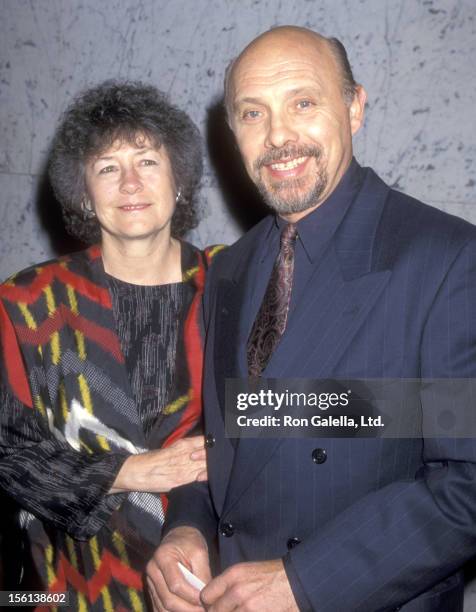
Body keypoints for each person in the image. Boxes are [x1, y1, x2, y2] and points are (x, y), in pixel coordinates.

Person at [146, 26, 476, 612]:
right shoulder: (231, 270)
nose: (278, 136)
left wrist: (307, 582)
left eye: (303, 102)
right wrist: (187, 529)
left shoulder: (446, 260)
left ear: (354, 108)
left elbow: (467, 483)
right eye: (253, 113)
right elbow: (234, 442)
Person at [0, 81, 223, 610]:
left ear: (180, 182)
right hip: (72, 581)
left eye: (147, 161)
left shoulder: (231, 284)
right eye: (106, 168)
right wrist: (131, 471)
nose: (130, 182)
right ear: (83, 193)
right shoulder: (28, 302)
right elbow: (6, 454)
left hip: (209, 573)